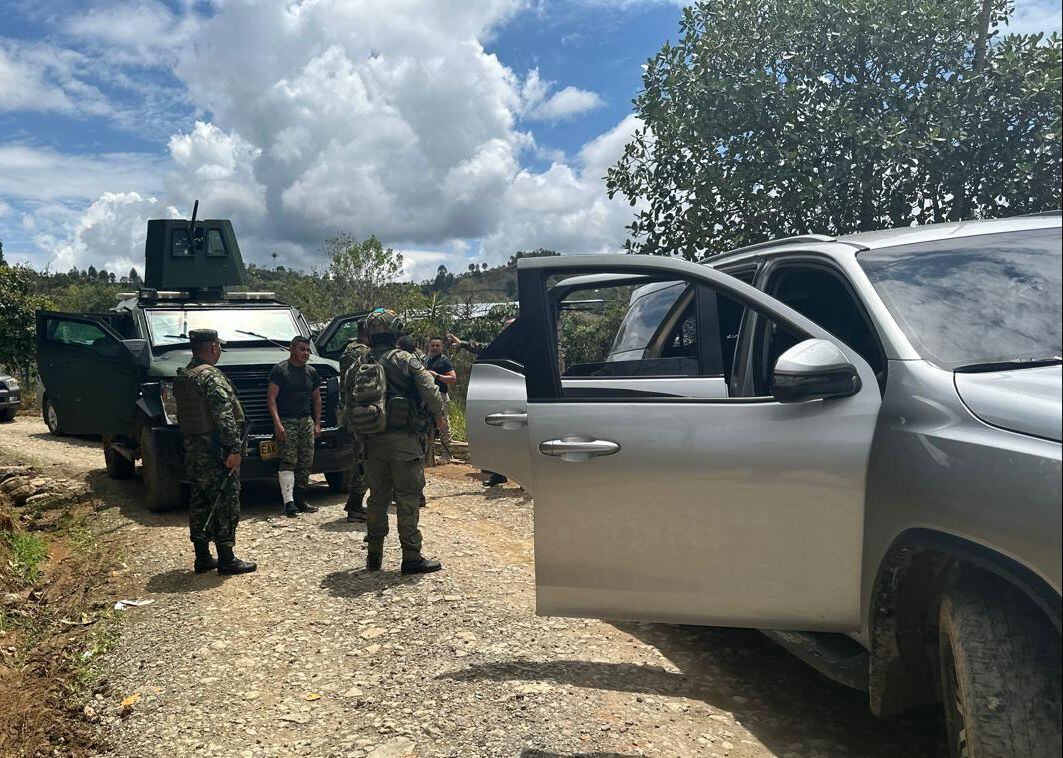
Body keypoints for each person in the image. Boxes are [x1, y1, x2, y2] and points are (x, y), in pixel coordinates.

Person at [354, 308, 444, 574]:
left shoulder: (361, 362)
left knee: (377, 498)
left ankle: (374, 556)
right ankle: (411, 557)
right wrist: (438, 416)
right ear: (395, 330)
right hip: (404, 439)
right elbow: (432, 394)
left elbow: (348, 402)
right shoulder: (405, 360)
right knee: (407, 496)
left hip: (371, 440)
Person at [173, 329, 256, 574]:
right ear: (212, 347)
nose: (219, 350)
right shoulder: (211, 377)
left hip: (194, 450)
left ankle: (202, 557)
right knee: (226, 501)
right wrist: (233, 448)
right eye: (218, 346)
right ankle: (227, 558)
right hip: (216, 451)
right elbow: (224, 415)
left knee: (200, 500)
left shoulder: (184, 376)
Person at [446, 325, 514, 487]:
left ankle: (525, 478)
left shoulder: (528, 345)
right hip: (502, 394)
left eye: (509, 328)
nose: (506, 332)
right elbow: (484, 347)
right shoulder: (502, 346)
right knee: (497, 433)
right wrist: (462, 343)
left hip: (521, 393)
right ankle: (499, 473)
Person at [267, 335, 321, 518]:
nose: (305, 353)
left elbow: (316, 398)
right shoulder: (280, 370)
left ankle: (301, 499)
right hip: (287, 420)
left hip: (306, 421)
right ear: (292, 349)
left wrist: (318, 423)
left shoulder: (311, 372)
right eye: (301, 349)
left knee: (306, 461)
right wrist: (277, 424)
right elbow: (271, 399)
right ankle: (288, 502)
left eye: (307, 350)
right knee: (288, 460)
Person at [339, 322, 371, 522]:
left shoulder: (347, 352)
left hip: (351, 413)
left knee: (358, 460)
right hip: (364, 416)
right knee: (364, 461)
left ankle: (355, 504)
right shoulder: (365, 355)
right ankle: (355, 506)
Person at [424, 337, 457, 464]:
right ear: (429, 346)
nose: (435, 348)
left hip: (441, 396)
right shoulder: (427, 360)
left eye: (437, 346)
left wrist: (437, 375)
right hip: (428, 397)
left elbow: (453, 379)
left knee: (443, 425)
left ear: (441, 347)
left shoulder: (444, 361)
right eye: (433, 345)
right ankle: (428, 455)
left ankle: (447, 455)